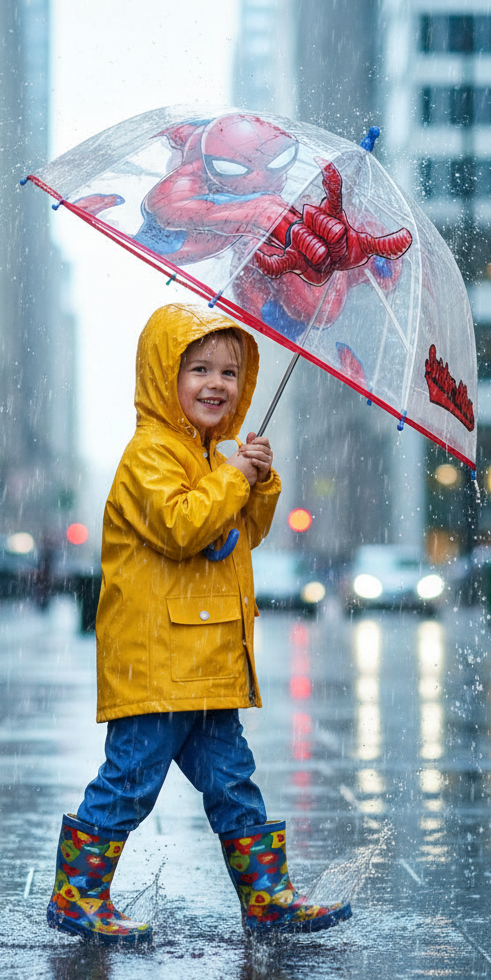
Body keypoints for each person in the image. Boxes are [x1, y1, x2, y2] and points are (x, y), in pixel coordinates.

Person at [46, 302, 351, 943]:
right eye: (199, 370)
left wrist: (256, 481)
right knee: (129, 782)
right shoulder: (148, 456)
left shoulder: (219, 459)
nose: (217, 384)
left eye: (230, 373)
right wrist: (231, 477)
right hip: (158, 664)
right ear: (165, 377)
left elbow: (244, 534)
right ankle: (78, 896)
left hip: (208, 666)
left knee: (234, 786)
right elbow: (184, 527)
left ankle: (268, 899)